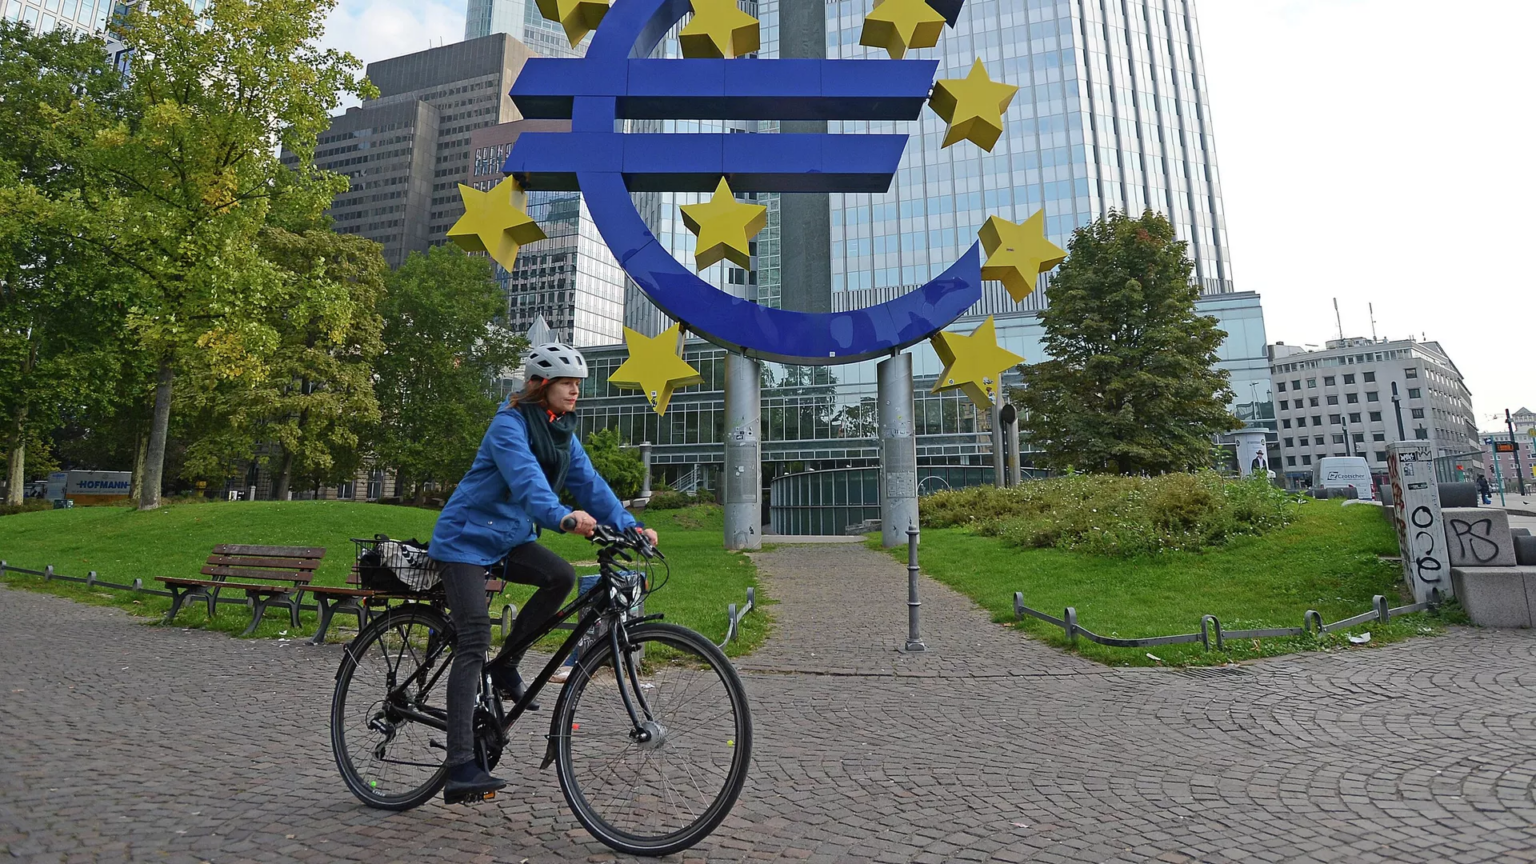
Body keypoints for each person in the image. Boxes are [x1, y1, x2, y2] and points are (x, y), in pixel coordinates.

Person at [427, 342, 659, 803]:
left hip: (507, 539)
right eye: (566, 383)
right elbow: (528, 483)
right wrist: (563, 518)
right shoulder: (508, 425)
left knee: (561, 577)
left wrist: (631, 527)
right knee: (474, 636)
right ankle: (460, 766)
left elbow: (589, 483)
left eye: (578, 384)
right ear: (540, 385)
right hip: (464, 541)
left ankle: (506, 666)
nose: (575, 391)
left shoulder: (560, 433)